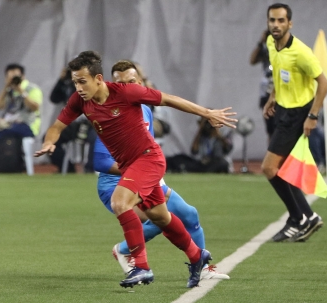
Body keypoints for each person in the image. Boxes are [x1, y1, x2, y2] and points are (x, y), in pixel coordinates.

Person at [35, 51, 236, 288]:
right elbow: (57, 126)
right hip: (132, 166)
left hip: (149, 159)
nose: (78, 87)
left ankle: (140, 266)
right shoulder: (80, 101)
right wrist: (49, 141)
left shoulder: (126, 92)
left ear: (98, 79)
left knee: (120, 203)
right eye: (75, 82)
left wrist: (207, 113)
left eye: (82, 81)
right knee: (161, 218)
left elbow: (169, 99)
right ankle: (196, 256)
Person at [97, 60, 229, 280]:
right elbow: (100, 162)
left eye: (132, 82)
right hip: (116, 184)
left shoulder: (145, 110)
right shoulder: (110, 114)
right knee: (163, 219)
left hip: (145, 176)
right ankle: (124, 251)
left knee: (189, 214)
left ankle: (203, 267)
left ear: (140, 82)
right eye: (121, 84)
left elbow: (169, 102)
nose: (128, 88)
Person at [262, 3, 327, 242]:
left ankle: (304, 217)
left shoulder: (301, 51)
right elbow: (279, 73)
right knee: (285, 169)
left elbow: (323, 82)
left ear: (290, 23)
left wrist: (313, 116)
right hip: (282, 110)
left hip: (298, 114)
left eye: (281, 21)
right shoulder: (271, 43)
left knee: (269, 168)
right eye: (272, 20)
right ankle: (299, 218)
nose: (276, 25)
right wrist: (272, 97)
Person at [0, 63, 42, 168]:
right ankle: (0, 163)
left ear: (23, 76)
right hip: (8, 124)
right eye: (10, 77)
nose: (13, 79)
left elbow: (34, 107)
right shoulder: (9, 90)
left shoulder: (32, 89)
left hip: (27, 125)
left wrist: (21, 91)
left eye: (15, 77)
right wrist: (6, 87)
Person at [49, 67, 96, 173]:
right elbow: (54, 98)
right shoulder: (67, 85)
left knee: (95, 138)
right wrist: (61, 80)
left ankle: (90, 169)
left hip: (90, 124)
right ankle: (67, 168)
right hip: (73, 124)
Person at [250, 29, 275, 144]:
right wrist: (261, 42)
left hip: (281, 91)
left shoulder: (283, 49)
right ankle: (272, 154)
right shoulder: (265, 51)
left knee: (282, 127)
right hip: (267, 92)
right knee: (270, 129)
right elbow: (252, 60)